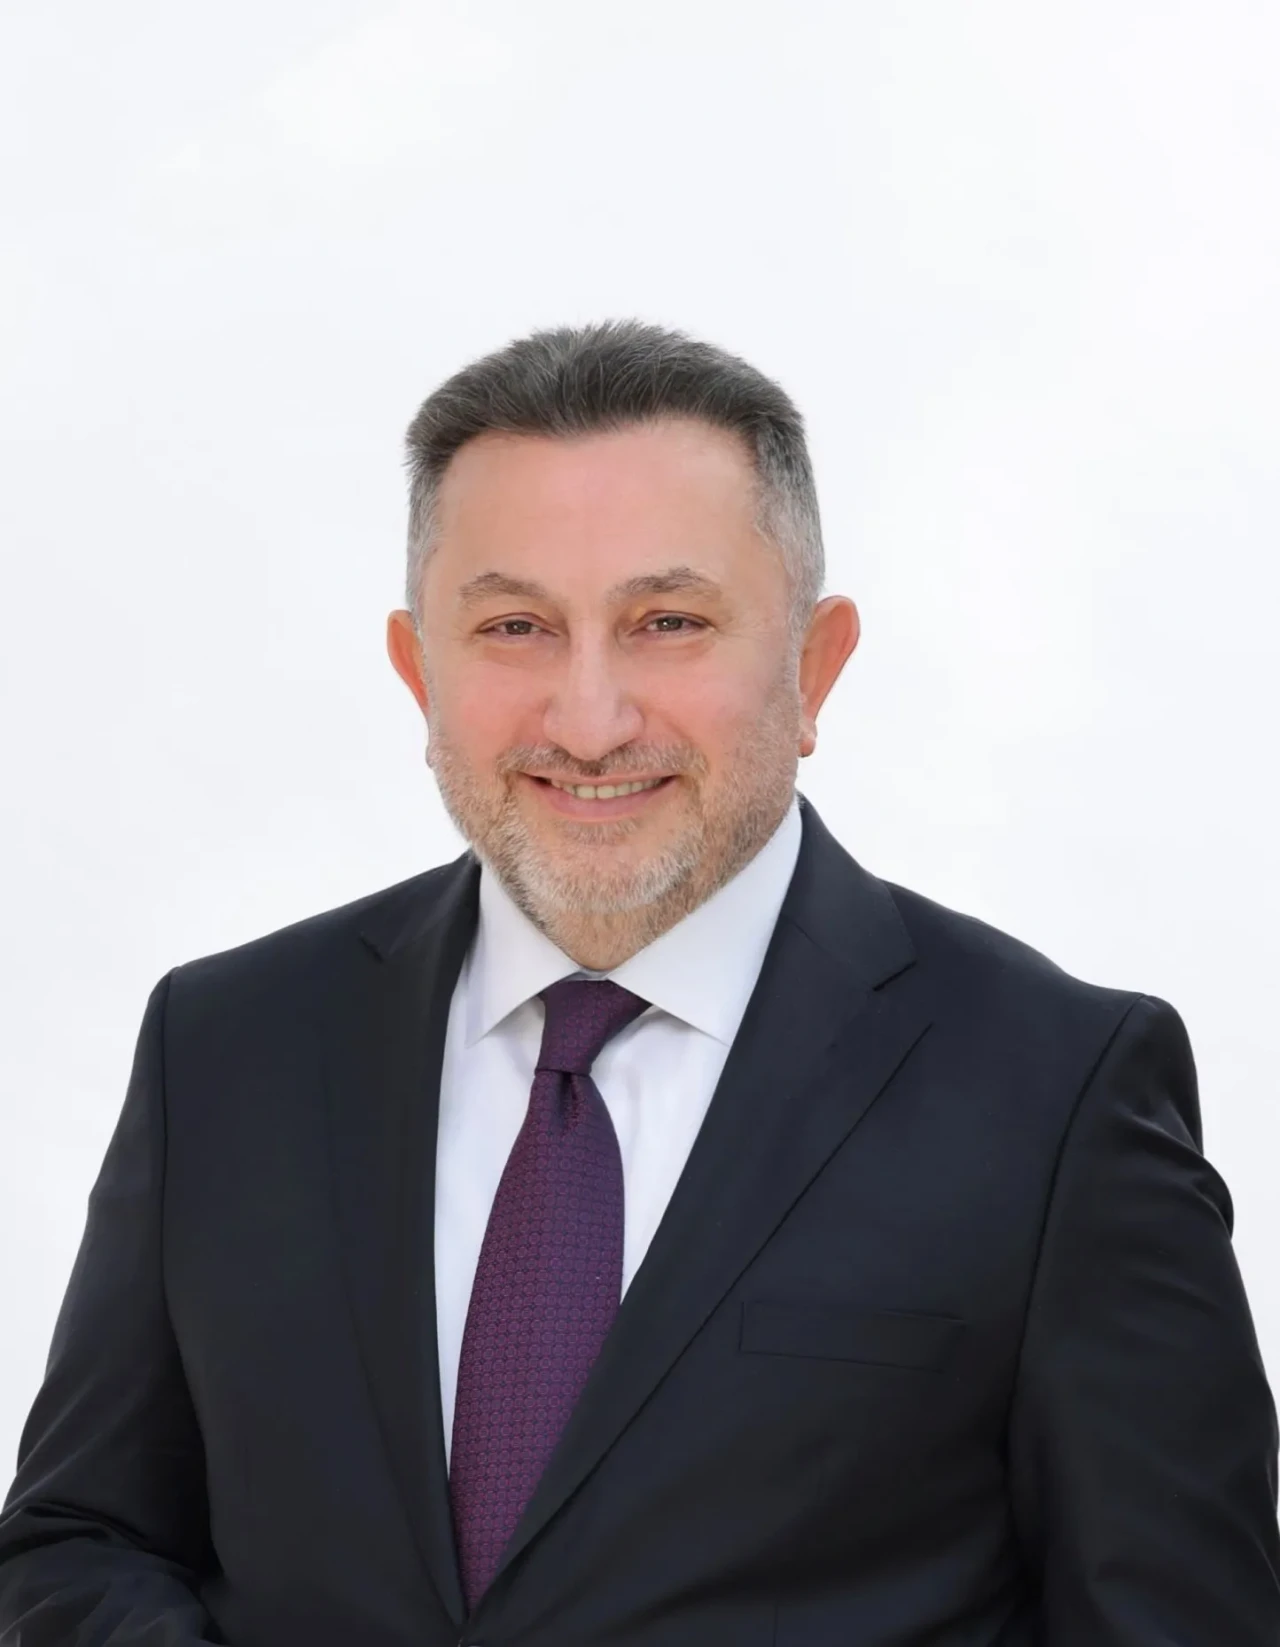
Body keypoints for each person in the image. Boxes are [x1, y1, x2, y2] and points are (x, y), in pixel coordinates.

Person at [1, 320, 1277, 1647]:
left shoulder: (1054, 1095)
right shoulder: (225, 1047)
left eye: (669, 623)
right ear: (419, 669)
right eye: (514, 626)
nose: (590, 719)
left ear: (815, 665)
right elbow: (84, 1536)